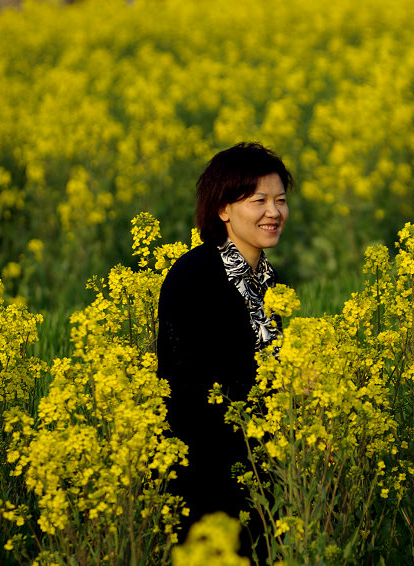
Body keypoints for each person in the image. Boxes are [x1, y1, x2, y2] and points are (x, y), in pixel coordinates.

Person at [156, 142, 292, 558]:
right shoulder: (193, 276)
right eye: (258, 201)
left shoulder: (269, 281)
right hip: (207, 477)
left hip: (261, 474)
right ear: (222, 209)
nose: (273, 212)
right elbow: (190, 382)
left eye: (280, 200)